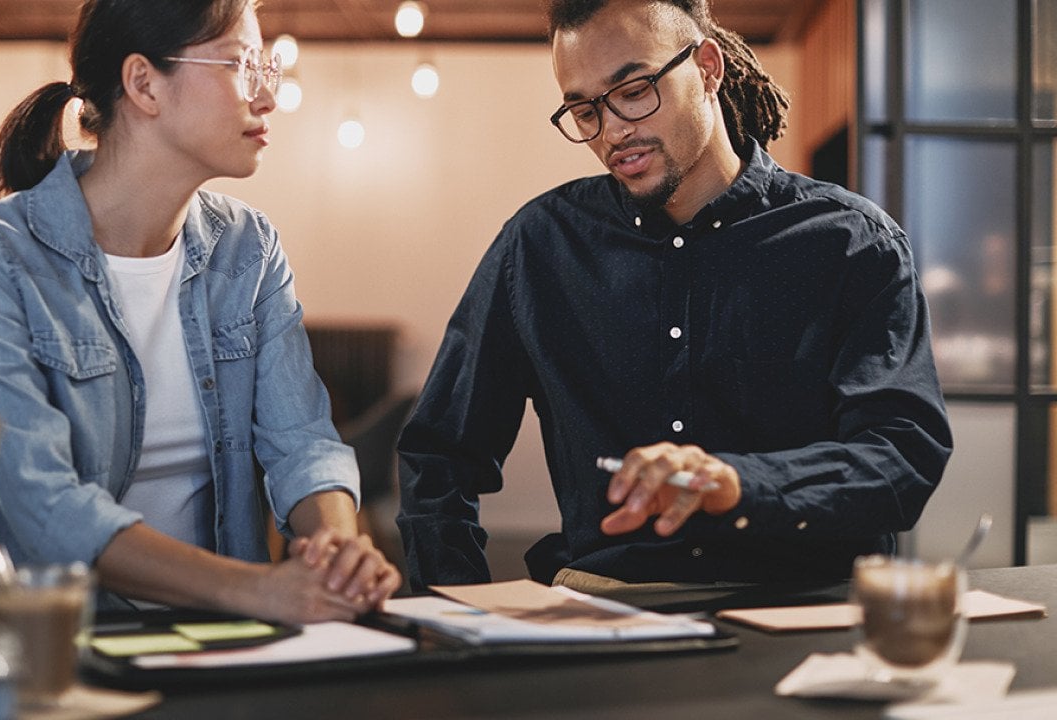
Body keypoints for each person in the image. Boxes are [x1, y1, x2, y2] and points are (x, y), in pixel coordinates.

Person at [396, 0, 952, 592]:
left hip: (799, 606)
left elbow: (902, 455)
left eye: (634, 90)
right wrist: (454, 609)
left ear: (707, 68)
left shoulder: (850, 243)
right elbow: (440, 455)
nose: (612, 131)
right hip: (606, 606)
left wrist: (737, 484)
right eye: (584, 108)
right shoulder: (538, 246)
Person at [0, 0, 399, 630]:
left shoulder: (249, 248)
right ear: (144, 84)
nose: (268, 98)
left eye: (268, 67)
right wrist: (257, 589)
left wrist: (340, 551)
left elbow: (304, 444)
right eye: (240, 64)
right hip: (42, 643)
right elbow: (44, 507)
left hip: (212, 636)